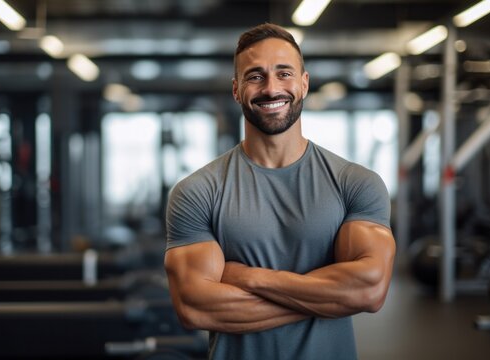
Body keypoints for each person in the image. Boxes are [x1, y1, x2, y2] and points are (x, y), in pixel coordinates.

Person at [164, 23, 396, 360]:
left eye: (284, 73)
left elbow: (369, 290)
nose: (271, 88)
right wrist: (331, 299)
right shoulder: (198, 192)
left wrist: (251, 277)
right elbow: (195, 307)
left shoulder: (355, 183)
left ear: (304, 83)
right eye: (255, 76)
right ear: (236, 89)